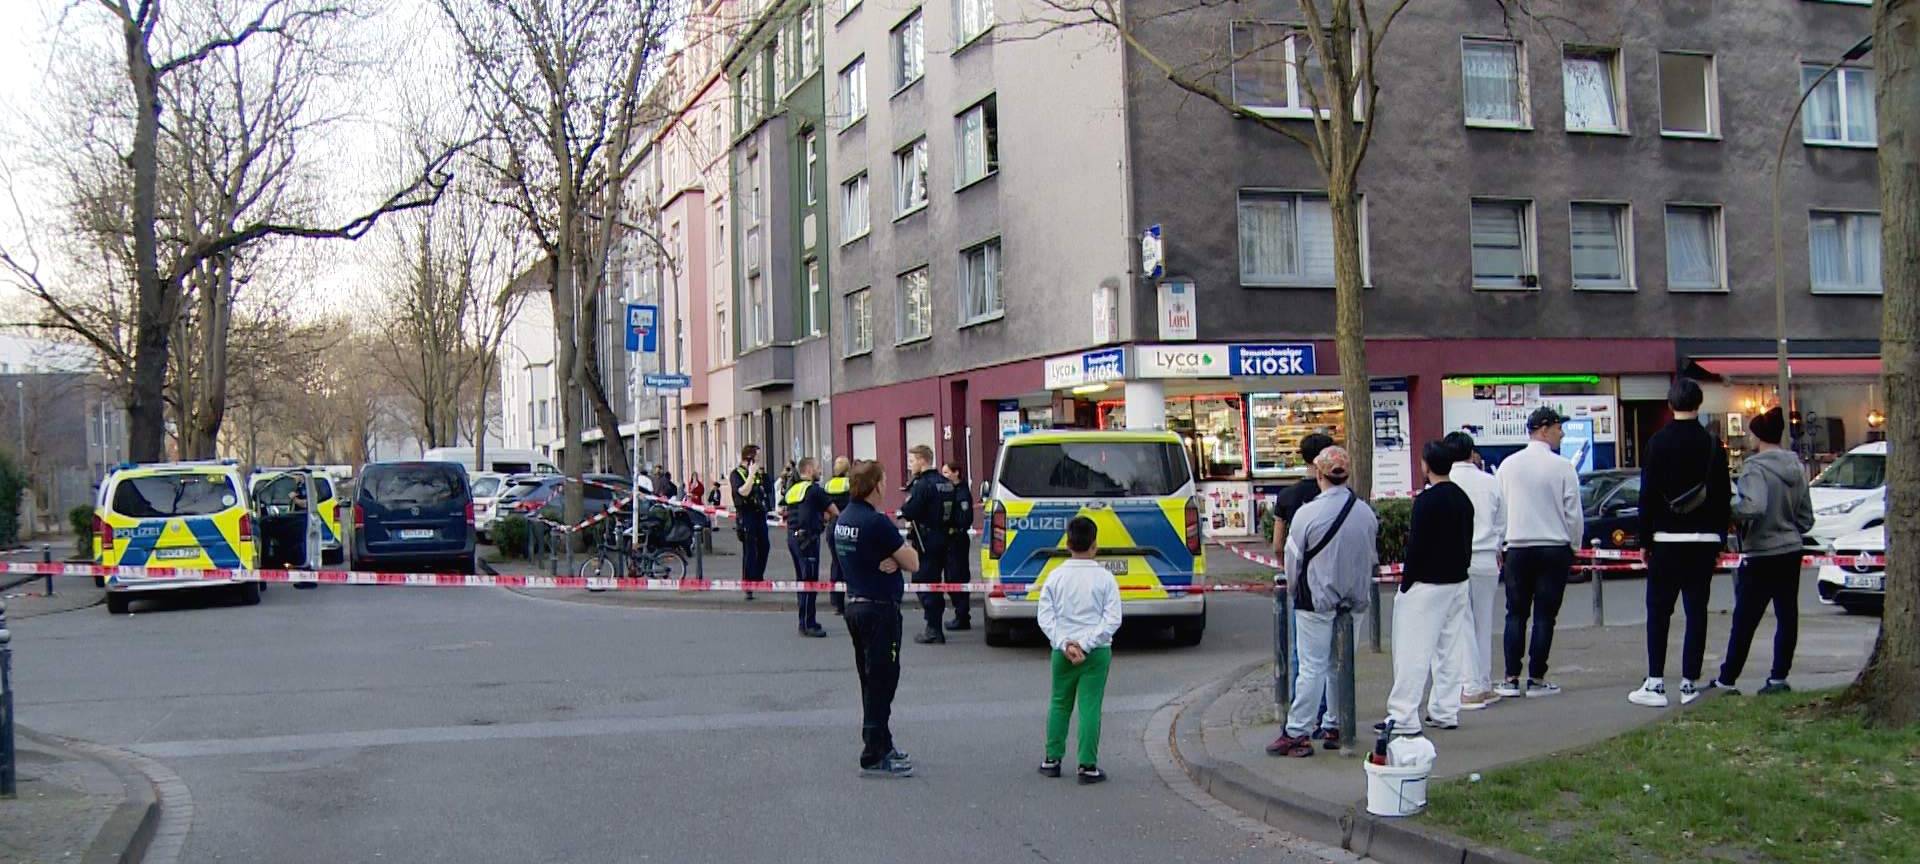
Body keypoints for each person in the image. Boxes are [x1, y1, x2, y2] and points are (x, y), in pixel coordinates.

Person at [1266, 447, 1378, 758]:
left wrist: (1292, 589)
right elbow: (1371, 556)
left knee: (1312, 667)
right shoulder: (1365, 512)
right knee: (1340, 664)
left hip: (1315, 599)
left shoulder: (1307, 514)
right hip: (1354, 601)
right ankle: (1335, 724)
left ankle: (1298, 731)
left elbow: (1292, 558)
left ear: (1319, 474)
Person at [1629, 380, 1734, 708]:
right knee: (1696, 611)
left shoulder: (1657, 443)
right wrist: (1718, 537)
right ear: (1699, 404)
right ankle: (1689, 682)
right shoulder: (1713, 445)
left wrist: (1644, 539)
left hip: (1666, 538)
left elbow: (1646, 495)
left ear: (1670, 404)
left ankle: (1656, 682)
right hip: (1703, 539)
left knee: (1659, 611)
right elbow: (1722, 496)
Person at [1714, 408, 1815, 696]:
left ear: (1757, 435)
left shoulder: (1754, 468)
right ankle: (1778, 677)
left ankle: (1727, 679)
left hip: (1761, 551)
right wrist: (1788, 524)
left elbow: (1754, 506)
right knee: (1787, 616)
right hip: (1790, 548)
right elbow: (1807, 518)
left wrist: (1730, 510)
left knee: (1745, 619)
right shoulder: (1796, 467)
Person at [834, 460, 921, 777]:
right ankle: (873, 752)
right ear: (875, 486)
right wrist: (897, 560)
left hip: (855, 604)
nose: (887, 486)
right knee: (883, 679)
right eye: (884, 480)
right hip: (879, 609)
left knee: (869, 678)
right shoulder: (876, 522)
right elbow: (913, 561)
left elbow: (850, 557)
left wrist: (887, 560)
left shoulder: (844, 519)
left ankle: (883, 742)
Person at [1382, 442, 1473, 735]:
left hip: (1426, 584)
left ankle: (1404, 714)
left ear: (1426, 466)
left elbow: (1416, 547)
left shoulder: (1425, 502)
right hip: (1457, 580)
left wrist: (1407, 584)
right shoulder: (1462, 499)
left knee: (1412, 650)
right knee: (1449, 648)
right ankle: (1445, 709)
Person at [1493, 407, 1582, 699]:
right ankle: (1537, 678)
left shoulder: (1508, 466)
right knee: (1545, 616)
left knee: (1515, 614)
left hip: (1517, 546)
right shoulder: (1563, 467)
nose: (1562, 433)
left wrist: (1500, 544)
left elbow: (1500, 511)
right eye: (1558, 428)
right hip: (1554, 547)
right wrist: (1574, 545)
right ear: (1544, 429)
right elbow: (1573, 513)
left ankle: (1509, 677)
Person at [1037, 516, 1124, 785]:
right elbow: (1112, 619)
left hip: (1062, 652)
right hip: (1096, 652)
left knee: (1059, 702)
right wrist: (1086, 644)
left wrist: (1065, 643)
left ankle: (1052, 759)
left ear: (1066, 542)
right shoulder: (1106, 578)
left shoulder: (1055, 576)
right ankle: (1087, 765)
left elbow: (1045, 615)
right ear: (1094, 545)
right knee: (1090, 706)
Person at [1267, 431, 1337, 744]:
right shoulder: (1345, 499)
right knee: (1335, 657)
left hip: (1303, 585)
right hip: (1337, 583)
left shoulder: (1289, 497)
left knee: (1304, 657)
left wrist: (1287, 570)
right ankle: (1330, 716)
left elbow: (1278, 544)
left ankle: (1300, 715)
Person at [1441, 432, 1506, 711]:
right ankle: (1484, 680)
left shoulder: (1446, 483)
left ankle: (1469, 687)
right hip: (1486, 559)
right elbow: (1502, 522)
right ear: (1472, 453)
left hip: (1456, 558)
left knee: (1461, 623)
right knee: (1483, 622)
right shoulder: (1491, 482)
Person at [900, 445, 956, 645]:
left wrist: (903, 510)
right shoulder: (946, 483)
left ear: (923, 460)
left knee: (923, 582)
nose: (910, 465)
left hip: (925, 541)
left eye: (912, 461)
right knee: (935, 583)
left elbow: (910, 510)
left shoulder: (922, 485)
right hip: (945, 539)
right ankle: (935, 626)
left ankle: (933, 628)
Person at [784, 457, 836, 638]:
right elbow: (834, 511)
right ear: (809, 469)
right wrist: (823, 520)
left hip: (793, 538)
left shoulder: (793, 490)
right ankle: (808, 623)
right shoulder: (814, 490)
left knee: (801, 580)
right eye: (817, 467)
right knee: (810, 581)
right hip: (809, 540)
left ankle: (803, 620)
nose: (820, 470)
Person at [730, 445, 773, 601]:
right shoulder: (736, 474)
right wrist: (751, 474)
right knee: (750, 550)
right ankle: (748, 584)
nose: (760, 461)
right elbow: (743, 492)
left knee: (765, 546)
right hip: (746, 515)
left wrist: (762, 475)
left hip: (759, 514)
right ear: (749, 458)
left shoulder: (758, 473)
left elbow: (767, 489)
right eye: (757, 458)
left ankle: (757, 577)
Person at [940, 461, 976, 632]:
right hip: (949, 539)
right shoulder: (950, 491)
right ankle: (959, 614)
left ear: (956, 473)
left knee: (958, 577)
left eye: (947, 473)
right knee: (950, 577)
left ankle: (963, 616)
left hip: (958, 539)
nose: (944, 476)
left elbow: (965, 518)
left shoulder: (961, 493)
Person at [824, 457, 853, 616]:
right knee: (850, 561)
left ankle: (836, 602)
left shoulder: (828, 484)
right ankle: (854, 595)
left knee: (836, 563)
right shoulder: (850, 484)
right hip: (847, 525)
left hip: (833, 525)